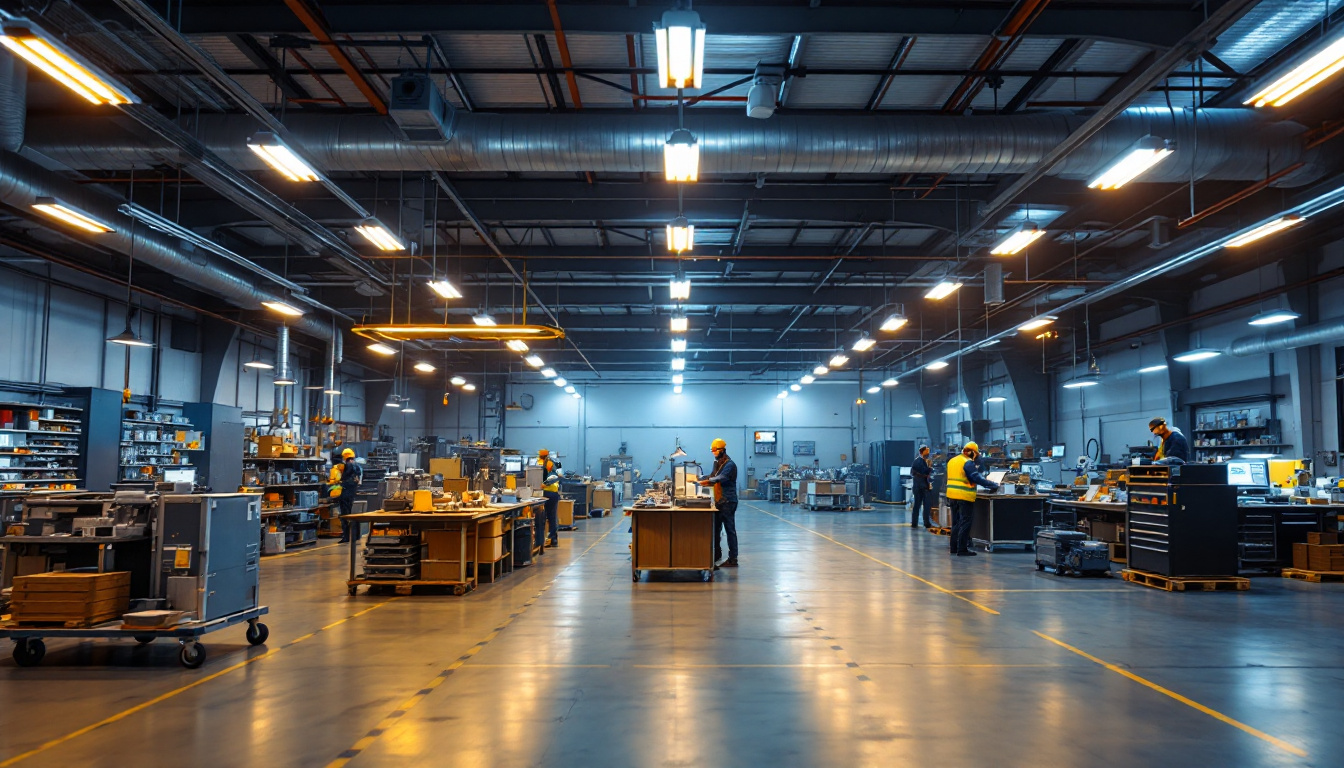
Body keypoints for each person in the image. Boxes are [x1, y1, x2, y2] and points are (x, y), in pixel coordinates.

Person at [945, 441, 1000, 557]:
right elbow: (976, 478)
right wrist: (993, 485)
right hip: (964, 496)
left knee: (956, 523)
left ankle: (954, 548)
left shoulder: (952, 461)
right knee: (965, 522)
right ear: (972, 452)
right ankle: (962, 549)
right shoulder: (967, 462)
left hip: (952, 495)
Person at [698, 438, 739, 568]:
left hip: (728, 501)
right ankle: (716, 554)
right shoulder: (718, 463)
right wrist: (698, 478)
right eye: (713, 451)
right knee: (716, 529)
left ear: (722, 450)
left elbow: (722, 478)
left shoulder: (729, 465)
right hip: (719, 501)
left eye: (715, 451)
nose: (714, 453)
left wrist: (707, 481)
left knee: (729, 530)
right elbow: (712, 475)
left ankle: (733, 558)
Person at [337, 448, 363, 543]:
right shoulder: (357, 466)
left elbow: (343, 477)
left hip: (345, 493)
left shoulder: (347, 465)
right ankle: (356, 536)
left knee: (345, 515)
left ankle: (346, 537)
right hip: (352, 493)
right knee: (353, 516)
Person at [536, 448, 561, 549]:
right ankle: (552, 539)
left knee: (543, 517)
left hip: (546, 493)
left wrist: (543, 484)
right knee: (551, 517)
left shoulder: (546, 464)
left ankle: (542, 540)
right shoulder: (553, 463)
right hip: (553, 493)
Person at [910, 445, 934, 528]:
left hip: (917, 486)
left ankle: (914, 522)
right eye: (927, 452)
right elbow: (925, 471)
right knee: (926, 505)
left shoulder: (916, 461)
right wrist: (930, 468)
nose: (928, 454)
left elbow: (912, 473)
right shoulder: (921, 462)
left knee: (917, 505)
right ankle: (927, 523)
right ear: (922, 452)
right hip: (923, 487)